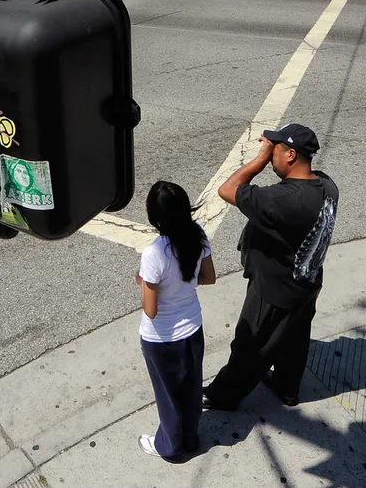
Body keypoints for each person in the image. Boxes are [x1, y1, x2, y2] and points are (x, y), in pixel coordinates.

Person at [203, 123, 338, 410]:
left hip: (273, 290)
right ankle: (287, 388)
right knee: (293, 341)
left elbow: (227, 189)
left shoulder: (280, 200)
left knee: (248, 346)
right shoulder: (327, 185)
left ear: (290, 154)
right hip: (307, 283)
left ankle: (223, 396)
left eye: (274, 148)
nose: (269, 152)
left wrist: (259, 160)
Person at [136, 181, 217, 460]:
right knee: (191, 390)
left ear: (155, 218)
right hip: (193, 327)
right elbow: (208, 277)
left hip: (161, 340)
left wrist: (142, 283)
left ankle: (168, 446)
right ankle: (191, 439)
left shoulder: (154, 253)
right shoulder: (198, 235)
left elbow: (150, 309)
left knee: (168, 397)